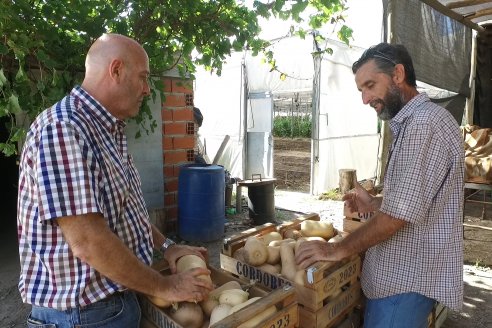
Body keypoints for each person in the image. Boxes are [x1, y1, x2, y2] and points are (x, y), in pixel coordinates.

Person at [17, 33, 213, 328]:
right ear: (116, 70)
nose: (147, 89)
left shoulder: (108, 129)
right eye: (144, 78)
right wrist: (166, 287)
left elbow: (124, 214)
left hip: (111, 305)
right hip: (81, 317)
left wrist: (168, 247)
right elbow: (88, 241)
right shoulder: (63, 130)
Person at [295, 43, 464, 328]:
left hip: (404, 285)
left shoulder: (423, 125)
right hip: (402, 281)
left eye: (370, 85)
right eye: (361, 90)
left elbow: (397, 218)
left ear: (398, 74)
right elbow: (415, 202)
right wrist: (374, 204)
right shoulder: (415, 123)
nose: (365, 99)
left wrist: (335, 250)